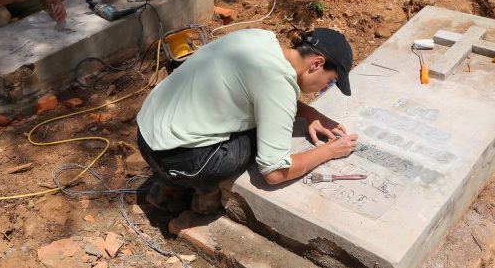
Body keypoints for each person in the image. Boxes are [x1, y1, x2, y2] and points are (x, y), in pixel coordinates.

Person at [136, 27, 359, 213]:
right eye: (330, 81)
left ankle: (168, 184)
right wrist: (330, 150)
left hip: (146, 133)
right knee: (257, 137)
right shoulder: (278, 82)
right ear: (317, 63)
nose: (324, 88)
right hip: (181, 160)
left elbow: (260, 88)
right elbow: (275, 172)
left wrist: (309, 113)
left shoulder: (260, 37)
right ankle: (203, 195)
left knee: (263, 117)